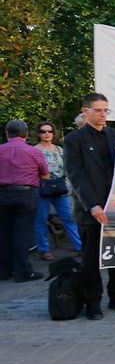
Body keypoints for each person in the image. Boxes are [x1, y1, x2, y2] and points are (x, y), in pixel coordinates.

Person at [64, 93, 115, 319]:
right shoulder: (74, 139)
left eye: (106, 110)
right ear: (86, 111)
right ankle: (93, 301)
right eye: (98, 110)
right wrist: (92, 205)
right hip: (90, 210)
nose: (103, 115)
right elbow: (76, 174)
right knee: (91, 259)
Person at [0, 120, 48, 283]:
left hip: (2, 194)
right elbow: (45, 175)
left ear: (7, 133)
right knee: (22, 233)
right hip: (26, 194)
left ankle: (4, 271)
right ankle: (22, 271)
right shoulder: (34, 152)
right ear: (26, 134)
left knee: (4, 232)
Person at [32, 121, 82, 262]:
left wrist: (69, 186)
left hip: (60, 188)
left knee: (69, 218)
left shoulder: (60, 150)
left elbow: (67, 168)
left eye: (50, 131)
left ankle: (79, 247)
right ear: (38, 134)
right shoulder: (35, 150)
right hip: (42, 187)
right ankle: (44, 250)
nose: (47, 134)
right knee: (41, 219)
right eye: (43, 131)